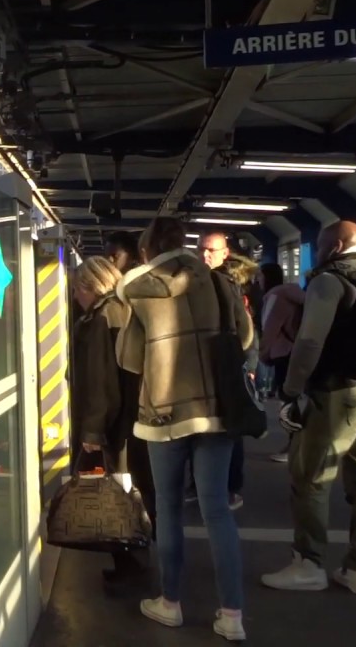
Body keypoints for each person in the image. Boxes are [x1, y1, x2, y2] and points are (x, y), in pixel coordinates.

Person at [119, 217, 250, 642]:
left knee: (170, 508)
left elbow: (130, 359)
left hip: (164, 412)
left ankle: (170, 603)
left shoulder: (140, 292)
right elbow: (246, 339)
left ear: (146, 252)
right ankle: (232, 616)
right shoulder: (219, 284)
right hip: (218, 410)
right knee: (216, 511)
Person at [261, 221, 356, 597]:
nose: (318, 253)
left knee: (311, 477)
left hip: (342, 393)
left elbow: (309, 340)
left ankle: (307, 564)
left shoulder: (329, 280)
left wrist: (291, 389)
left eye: (321, 246)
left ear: (337, 246)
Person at [69, 256, 154, 531]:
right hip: (134, 414)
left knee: (119, 486)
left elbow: (100, 377)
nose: (74, 296)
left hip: (116, 422)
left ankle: (128, 549)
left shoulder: (101, 318)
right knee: (135, 482)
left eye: (76, 289)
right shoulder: (127, 307)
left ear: (89, 286)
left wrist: (92, 430)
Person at [197, 233, 255, 511]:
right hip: (210, 364)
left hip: (228, 364)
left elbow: (246, 329)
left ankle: (231, 487)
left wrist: (246, 366)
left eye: (211, 250)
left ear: (224, 253)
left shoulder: (227, 283)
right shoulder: (200, 280)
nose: (205, 255)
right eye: (201, 249)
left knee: (231, 427)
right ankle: (204, 485)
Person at [258, 262, 305, 463]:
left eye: (259, 276)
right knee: (298, 401)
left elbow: (269, 327)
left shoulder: (274, 296)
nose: (257, 281)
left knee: (287, 402)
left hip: (282, 353)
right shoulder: (296, 294)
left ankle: (293, 447)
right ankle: (301, 445)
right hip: (300, 352)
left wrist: (263, 354)